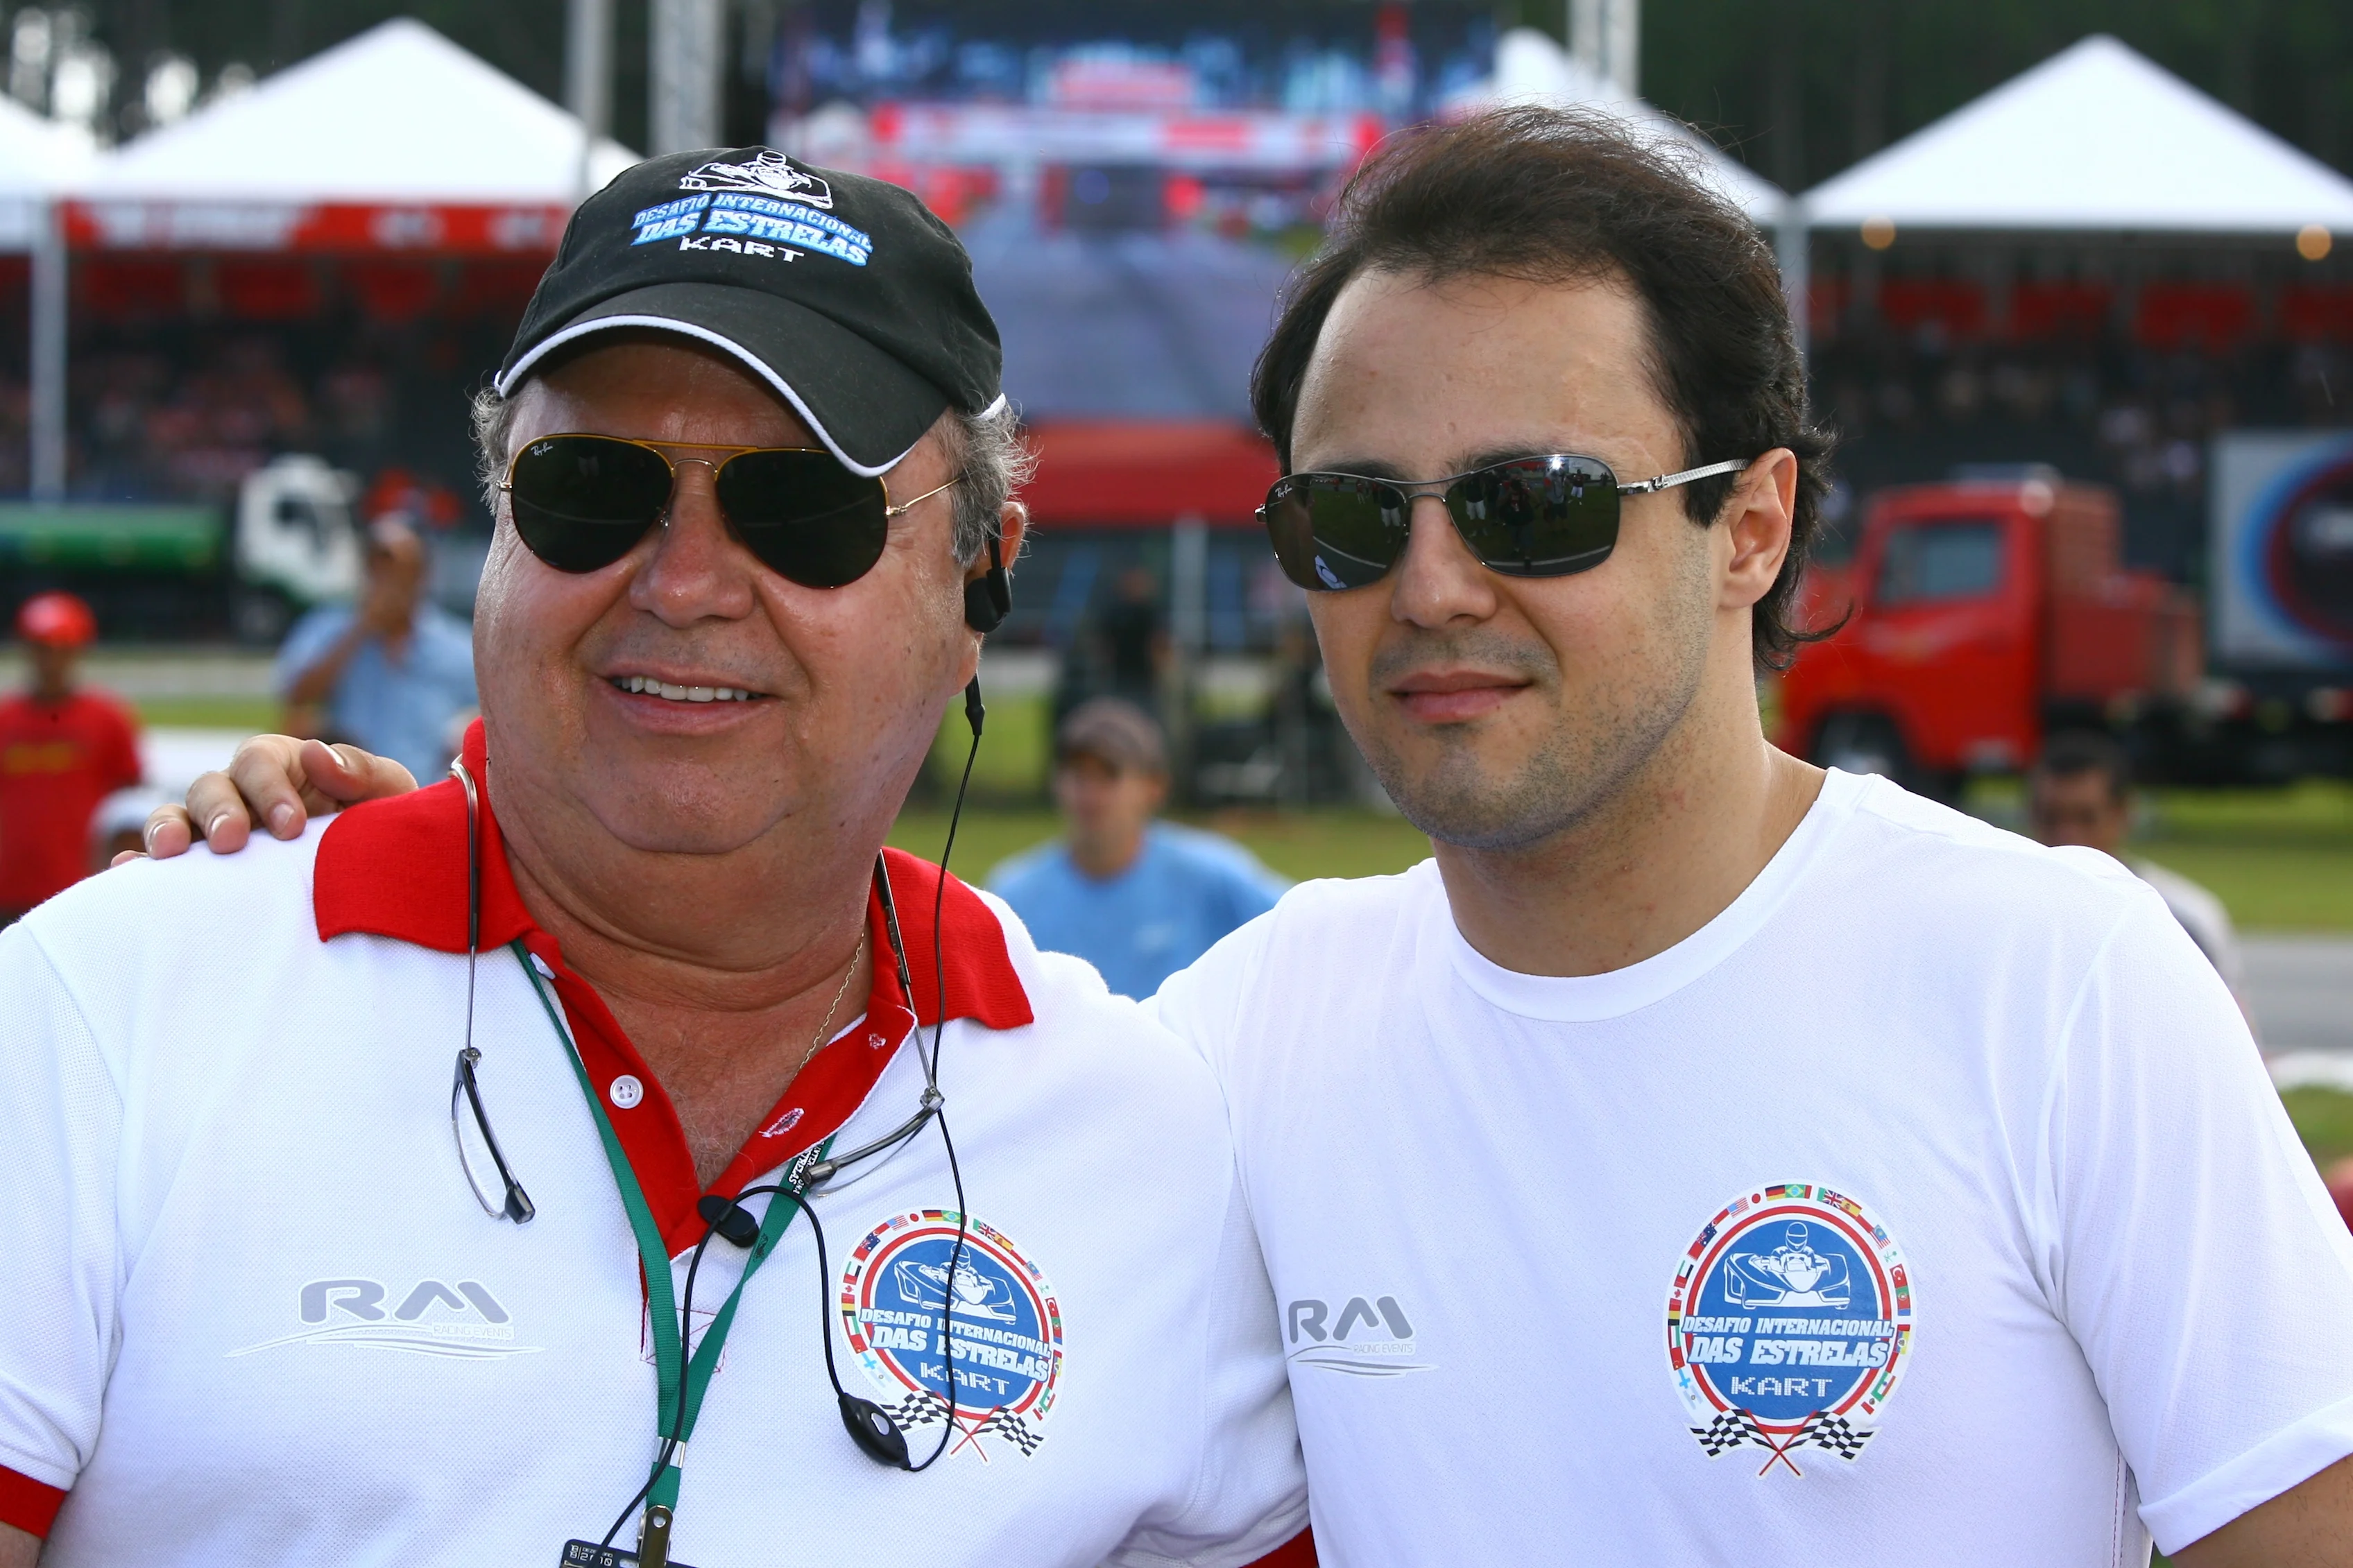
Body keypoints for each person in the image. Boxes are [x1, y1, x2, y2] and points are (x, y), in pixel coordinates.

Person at [143, 110, 2353, 1565]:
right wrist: (356, 835)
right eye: (1347, 517)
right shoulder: (1222, 1053)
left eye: (1534, 506)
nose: (1433, 586)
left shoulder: (2050, 985)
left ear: (1747, 521)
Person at [0, 147, 1307, 1568]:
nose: (681, 584)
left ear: (980, 575)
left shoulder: (1149, 1136)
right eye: (589, 489)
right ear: (498, 524)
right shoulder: (105, 1008)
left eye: (801, 505)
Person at [991, 698, 1287, 998]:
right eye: (1077, 773)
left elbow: (1301, 934)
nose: (1089, 791)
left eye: (1108, 774)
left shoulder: (1210, 876)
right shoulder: (1015, 897)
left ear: (1154, 787)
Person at [2028, 728, 2248, 1007]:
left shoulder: (2182, 918)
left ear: (2123, 814)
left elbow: (2233, 1032)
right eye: (2052, 818)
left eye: (2086, 819)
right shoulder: (2008, 913)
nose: (2068, 836)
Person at [275, 511, 478, 782]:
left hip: (423, 792)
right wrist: (360, 630)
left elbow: (486, 722)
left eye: (399, 571)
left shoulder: (456, 646)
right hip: (351, 794)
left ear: (421, 575)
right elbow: (296, 695)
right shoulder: (331, 626)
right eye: (377, 568)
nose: (387, 581)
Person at [0, 592, 141, 925]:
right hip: (8, 884)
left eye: (62, 647)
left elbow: (129, 804)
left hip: (78, 885)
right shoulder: (5, 719)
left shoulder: (107, 720)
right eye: (42, 647)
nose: (51, 660)